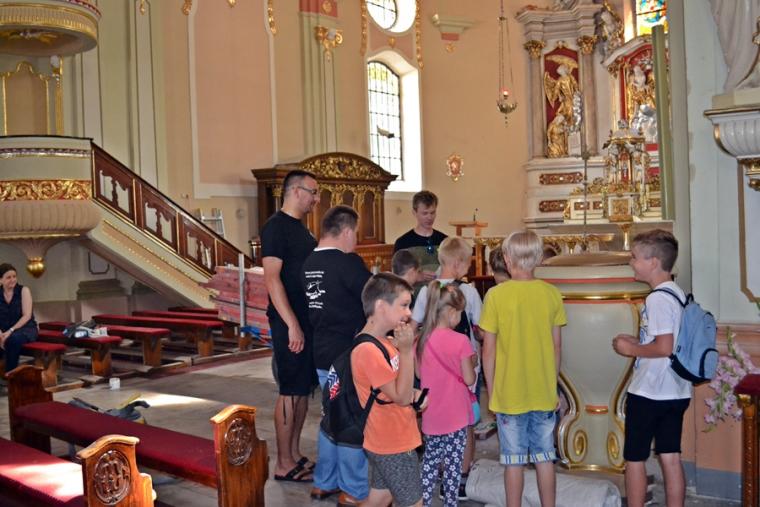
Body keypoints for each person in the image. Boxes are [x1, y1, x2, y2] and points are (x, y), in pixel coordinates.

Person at [480, 230, 567, 507]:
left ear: (506, 259)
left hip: (509, 393)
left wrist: (492, 390)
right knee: (544, 458)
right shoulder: (552, 294)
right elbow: (556, 347)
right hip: (542, 391)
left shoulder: (495, 295)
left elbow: (488, 350)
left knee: (513, 461)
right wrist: (553, 385)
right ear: (540, 259)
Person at [612, 230, 690, 507]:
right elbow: (667, 341)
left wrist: (630, 349)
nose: (631, 262)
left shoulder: (656, 299)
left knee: (634, 458)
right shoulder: (677, 293)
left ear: (654, 262)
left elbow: (664, 348)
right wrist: (639, 342)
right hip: (676, 389)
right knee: (671, 457)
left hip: (650, 391)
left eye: (635, 257)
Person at [302, 205, 372, 505]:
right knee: (350, 420)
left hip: (321, 353)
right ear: (345, 231)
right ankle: (354, 489)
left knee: (331, 417)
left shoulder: (308, 263)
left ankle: (324, 481)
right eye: (355, 233)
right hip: (347, 357)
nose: (355, 240)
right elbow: (374, 297)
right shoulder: (348, 263)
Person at [411, 237, 483, 500]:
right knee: (465, 425)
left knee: (435, 428)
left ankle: (431, 483)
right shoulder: (469, 292)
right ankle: (460, 477)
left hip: (431, 370)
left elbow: (414, 326)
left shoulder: (427, 291)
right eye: (468, 263)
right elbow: (480, 328)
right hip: (463, 366)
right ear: (458, 263)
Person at [261, 169, 320, 483]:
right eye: (313, 192)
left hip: (305, 320)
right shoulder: (275, 227)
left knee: (302, 390)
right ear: (296, 191)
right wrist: (292, 324)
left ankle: (294, 453)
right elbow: (272, 280)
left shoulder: (302, 229)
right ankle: (283, 462)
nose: (316, 198)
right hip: (288, 321)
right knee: (290, 390)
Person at [352, 273, 426, 507]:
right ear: (381, 306)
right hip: (393, 443)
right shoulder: (368, 350)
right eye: (403, 305)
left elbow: (396, 389)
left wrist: (414, 394)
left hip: (388, 439)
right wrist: (406, 351)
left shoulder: (384, 342)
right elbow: (400, 397)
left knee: (380, 499)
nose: (409, 313)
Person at [416, 281, 477, 507]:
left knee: (430, 462)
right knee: (453, 466)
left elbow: (418, 373)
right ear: (452, 313)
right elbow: (469, 379)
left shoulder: (421, 340)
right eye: (460, 313)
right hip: (456, 415)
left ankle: (423, 502)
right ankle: (450, 503)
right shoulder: (461, 341)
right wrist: (472, 363)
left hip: (431, 413)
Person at [393, 191, 447, 281]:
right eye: (425, 213)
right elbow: (397, 278)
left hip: (441, 288)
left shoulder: (444, 241)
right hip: (414, 289)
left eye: (432, 213)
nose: (429, 217)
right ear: (414, 212)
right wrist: (417, 277)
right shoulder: (403, 243)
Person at [0, 263, 38, 374]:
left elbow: (27, 315)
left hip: (25, 329)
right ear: (0, 280)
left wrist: (10, 331)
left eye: (14, 276)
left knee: (13, 340)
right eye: (8, 277)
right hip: (4, 330)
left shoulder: (24, 291)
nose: (12, 280)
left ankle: (10, 375)